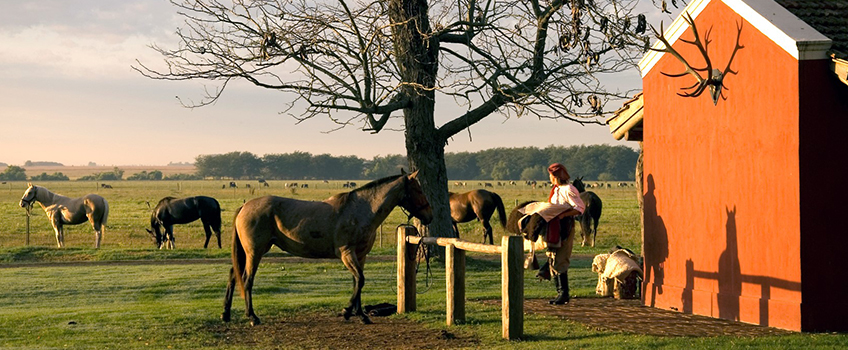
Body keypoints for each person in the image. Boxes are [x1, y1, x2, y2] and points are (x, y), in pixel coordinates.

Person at [541, 163, 585, 304]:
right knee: (552, 257)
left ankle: (564, 294)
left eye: (551, 175)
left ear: (557, 176)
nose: (549, 178)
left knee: (561, 259)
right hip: (554, 227)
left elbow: (579, 208)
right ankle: (559, 293)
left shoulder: (569, 189)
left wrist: (562, 216)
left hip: (565, 227)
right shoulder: (556, 190)